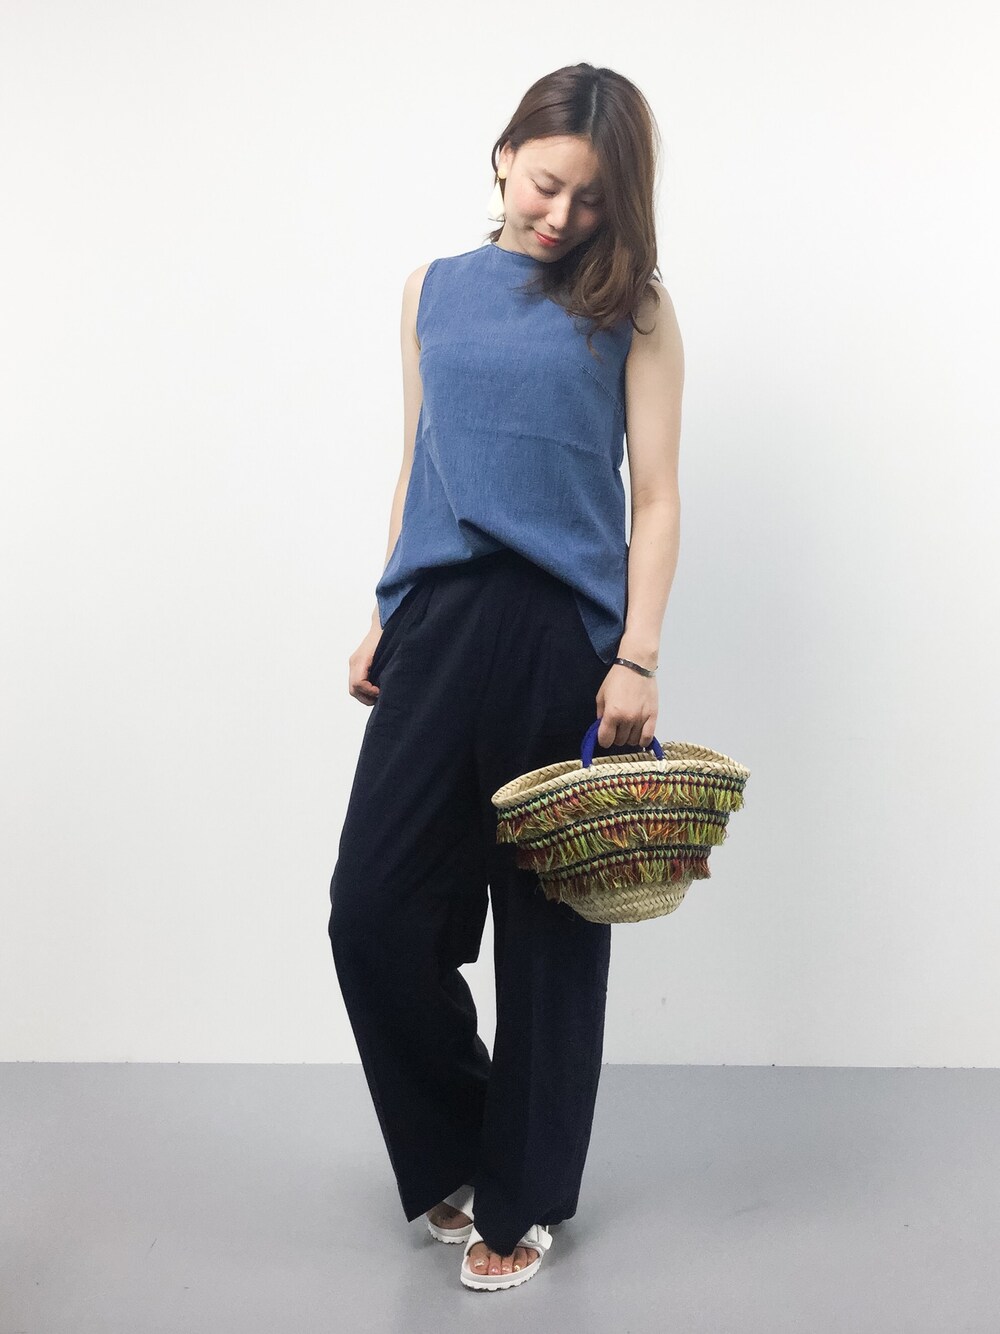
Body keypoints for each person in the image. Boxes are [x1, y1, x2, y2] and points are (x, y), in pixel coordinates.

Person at [328, 61, 683, 1292]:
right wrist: (387, 605)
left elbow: (655, 496)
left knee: (547, 931)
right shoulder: (432, 289)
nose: (561, 216)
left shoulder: (634, 307)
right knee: (373, 910)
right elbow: (419, 456)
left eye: (591, 199)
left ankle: (522, 1194)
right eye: (545, 185)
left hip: (560, 636)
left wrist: (635, 652)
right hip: (436, 619)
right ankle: (464, 1142)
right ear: (503, 155)